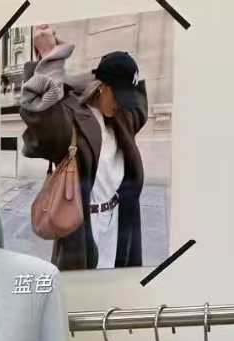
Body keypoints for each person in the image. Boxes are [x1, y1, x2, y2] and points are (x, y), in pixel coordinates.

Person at [19, 29, 148, 270]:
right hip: (81, 227)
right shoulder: (73, 120)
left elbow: (140, 103)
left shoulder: (124, 119)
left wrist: (115, 70)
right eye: (118, 96)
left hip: (116, 224)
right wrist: (49, 57)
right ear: (101, 87)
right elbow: (39, 112)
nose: (122, 105)